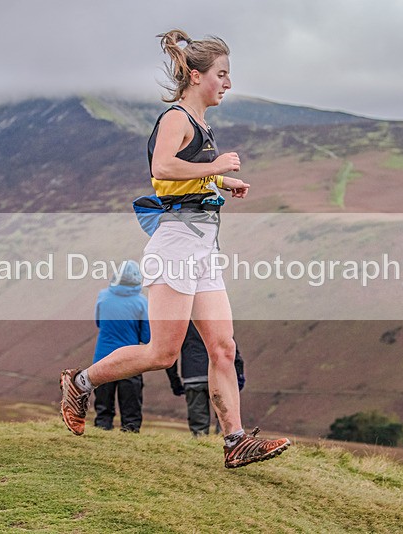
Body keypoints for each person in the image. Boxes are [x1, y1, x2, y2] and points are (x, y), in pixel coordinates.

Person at [60, 29, 290, 468]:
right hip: (176, 245)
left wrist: (221, 181)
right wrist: (219, 166)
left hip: (203, 246)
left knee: (222, 348)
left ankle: (235, 441)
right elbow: (161, 168)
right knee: (162, 353)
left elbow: (184, 173)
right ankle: (81, 383)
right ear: (196, 75)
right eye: (222, 74)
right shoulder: (177, 118)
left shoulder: (201, 124)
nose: (227, 83)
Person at [92, 260, 151, 432]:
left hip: (103, 357)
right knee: (131, 411)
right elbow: (146, 336)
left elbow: (98, 323)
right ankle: (129, 435)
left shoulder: (103, 296)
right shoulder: (141, 302)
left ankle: (102, 433)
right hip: (130, 360)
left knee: (103, 408)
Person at [166, 321, 245, 436]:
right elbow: (230, 347)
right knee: (225, 420)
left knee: (198, 427)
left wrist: (174, 381)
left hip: (193, 376)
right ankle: (225, 444)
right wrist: (238, 373)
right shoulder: (217, 318)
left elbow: (171, 351)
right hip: (219, 377)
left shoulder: (182, 322)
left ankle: (201, 446)